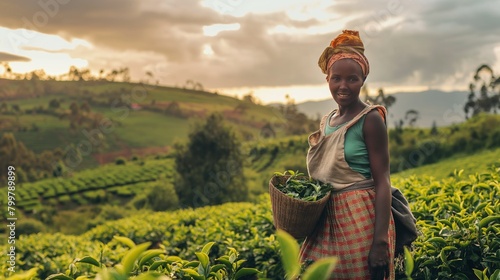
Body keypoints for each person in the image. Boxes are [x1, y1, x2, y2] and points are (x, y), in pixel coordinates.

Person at [299, 30, 395, 280]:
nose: (343, 86)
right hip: (325, 222)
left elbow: (383, 180)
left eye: (352, 79)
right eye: (336, 78)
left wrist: (380, 243)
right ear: (327, 80)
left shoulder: (370, 119)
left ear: (363, 80)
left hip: (360, 220)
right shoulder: (327, 121)